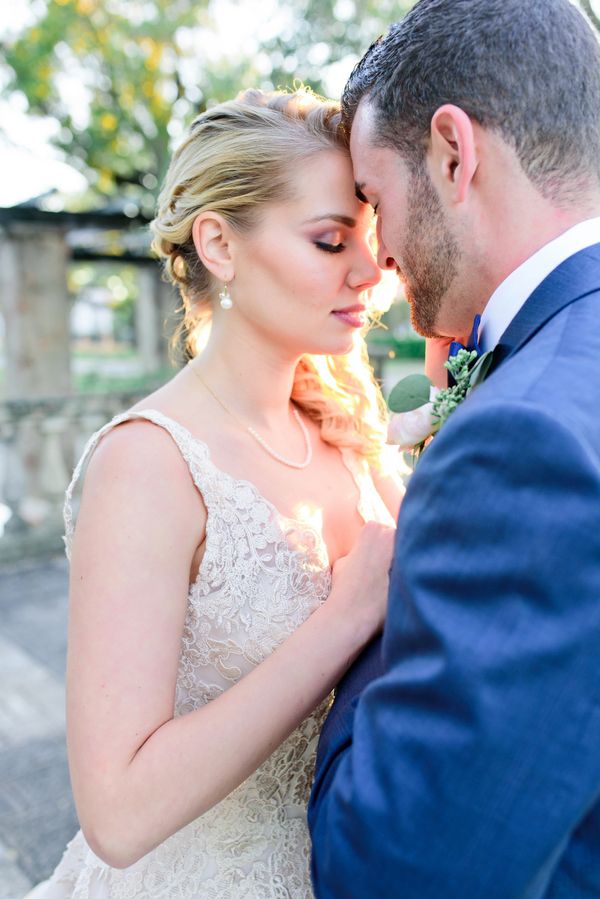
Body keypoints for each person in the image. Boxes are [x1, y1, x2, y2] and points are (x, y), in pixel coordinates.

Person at [24, 88, 403, 899]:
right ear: (220, 245)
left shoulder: (345, 426)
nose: (371, 271)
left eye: (368, 240)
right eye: (332, 240)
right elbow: (118, 813)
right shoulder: (151, 464)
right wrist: (341, 620)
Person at [308, 1, 600, 896]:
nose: (380, 252)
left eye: (376, 198)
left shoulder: (524, 439)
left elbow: (400, 868)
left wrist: (372, 605)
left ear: (452, 152)